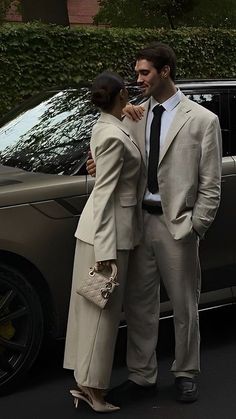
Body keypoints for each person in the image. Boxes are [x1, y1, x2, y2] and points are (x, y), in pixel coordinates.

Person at [86, 43, 222, 403]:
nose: (138, 79)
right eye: (137, 73)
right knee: (139, 306)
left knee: (183, 305)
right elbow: (121, 161)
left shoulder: (203, 120)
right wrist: (97, 165)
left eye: (145, 72)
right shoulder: (133, 114)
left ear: (165, 72)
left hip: (177, 226)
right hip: (137, 223)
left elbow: (211, 184)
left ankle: (185, 371)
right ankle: (142, 375)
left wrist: (196, 225)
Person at [63, 71, 145, 413]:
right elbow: (105, 194)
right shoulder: (112, 134)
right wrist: (106, 252)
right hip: (107, 235)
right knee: (102, 316)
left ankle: (85, 384)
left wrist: (128, 112)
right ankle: (94, 392)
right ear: (122, 94)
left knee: (90, 314)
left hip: (101, 233)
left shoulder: (107, 125)